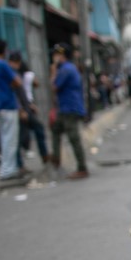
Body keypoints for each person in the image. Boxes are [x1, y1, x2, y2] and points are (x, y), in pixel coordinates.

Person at [0, 40, 26, 180]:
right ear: (4, 50)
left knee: (4, 138)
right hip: (7, 104)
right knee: (10, 139)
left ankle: (5, 168)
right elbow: (18, 82)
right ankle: (8, 170)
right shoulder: (2, 64)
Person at [49, 43, 89, 180]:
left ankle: (82, 168)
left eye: (56, 55)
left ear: (61, 55)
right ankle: (56, 159)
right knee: (55, 130)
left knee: (74, 138)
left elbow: (54, 87)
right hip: (65, 108)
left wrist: (53, 70)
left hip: (70, 108)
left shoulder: (65, 69)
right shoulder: (67, 68)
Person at [8, 52, 50, 170]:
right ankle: (19, 165)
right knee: (20, 137)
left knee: (38, 129)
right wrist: (21, 110)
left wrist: (29, 105)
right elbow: (13, 94)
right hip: (19, 110)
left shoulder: (17, 73)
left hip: (25, 108)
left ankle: (44, 156)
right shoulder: (10, 74)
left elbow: (22, 92)